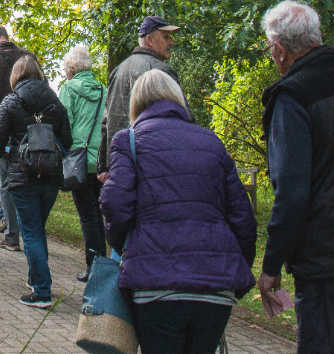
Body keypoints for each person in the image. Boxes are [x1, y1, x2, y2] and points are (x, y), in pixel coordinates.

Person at [100, 69, 256, 353]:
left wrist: (124, 245)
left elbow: (114, 203)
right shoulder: (211, 142)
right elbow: (242, 216)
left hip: (155, 284)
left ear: (136, 103)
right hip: (214, 286)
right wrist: (238, 267)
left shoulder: (129, 141)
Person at [258, 2, 334, 352]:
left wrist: (272, 264)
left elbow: (292, 192)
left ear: (279, 50)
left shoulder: (292, 98)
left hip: (326, 259)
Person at [0, 56, 72, 308]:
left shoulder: (11, 101)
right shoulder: (55, 103)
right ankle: (35, 277)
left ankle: (42, 290)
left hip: (22, 175)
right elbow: (66, 141)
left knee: (31, 231)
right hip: (49, 176)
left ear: (16, 76)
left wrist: (7, 154)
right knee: (37, 228)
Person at [98, 16, 181, 181]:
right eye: (166, 37)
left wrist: (105, 166)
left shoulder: (118, 70)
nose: (171, 42)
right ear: (149, 39)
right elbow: (178, 120)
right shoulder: (162, 71)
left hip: (120, 164)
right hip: (155, 164)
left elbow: (107, 122)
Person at [0, 24, 37, 251]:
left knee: (6, 184)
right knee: (30, 182)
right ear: (6, 37)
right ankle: (31, 230)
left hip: (1, 131)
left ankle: (12, 234)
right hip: (30, 131)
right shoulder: (29, 57)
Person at [57, 46, 107, 282]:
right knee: (99, 213)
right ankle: (103, 262)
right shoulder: (103, 90)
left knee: (87, 215)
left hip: (79, 159)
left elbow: (64, 124)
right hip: (101, 159)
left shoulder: (69, 89)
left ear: (70, 69)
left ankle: (93, 266)